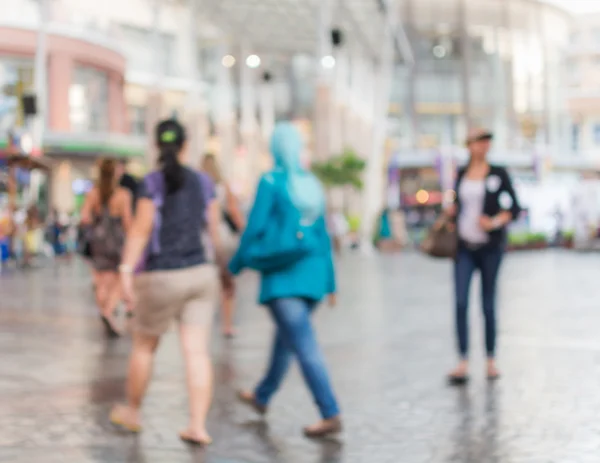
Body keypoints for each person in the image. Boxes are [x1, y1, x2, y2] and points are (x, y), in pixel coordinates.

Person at [110, 119, 224, 446]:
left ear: (158, 145)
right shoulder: (204, 182)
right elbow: (213, 233)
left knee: (145, 347)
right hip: (200, 275)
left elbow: (141, 230)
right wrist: (222, 270)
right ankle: (198, 426)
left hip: (161, 276)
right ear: (186, 145)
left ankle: (132, 412)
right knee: (197, 353)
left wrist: (126, 270)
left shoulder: (151, 183)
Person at [231, 122, 342, 438]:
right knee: (286, 341)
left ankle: (330, 410)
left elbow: (254, 229)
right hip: (314, 279)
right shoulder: (311, 184)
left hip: (284, 279)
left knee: (303, 343)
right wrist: (330, 283)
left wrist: (235, 265)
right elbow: (323, 237)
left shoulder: (272, 182)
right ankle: (262, 395)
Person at [445, 128, 521, 385]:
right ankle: (463, 359)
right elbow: (458, 204)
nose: (483, 146)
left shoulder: (498, 173)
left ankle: (490, 359)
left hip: (490, 247)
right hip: (464, 246)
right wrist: (451, 213)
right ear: (470, 144)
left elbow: (516, 207)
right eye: (479, 141)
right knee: (461, 302)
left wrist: (496, 221)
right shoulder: (462, 173)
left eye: (487, 141)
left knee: (488, 303)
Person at [81, 158, 132, 337]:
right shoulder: (123, 195)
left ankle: (105, 310)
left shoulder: (93, 193)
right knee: (118, 277)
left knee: (101, 279)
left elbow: (85, 218)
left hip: (98, 241)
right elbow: (127, 223)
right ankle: (108, 311)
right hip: (117, 242)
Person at [201, 153, 245, 337]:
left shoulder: (197, 185)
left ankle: (203, 324)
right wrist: (246, 232)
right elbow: (234, 210)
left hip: (200, 238)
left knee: (204, 284)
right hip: (221, 236)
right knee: (227, 282)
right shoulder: (223, 187)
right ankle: (227, 325)